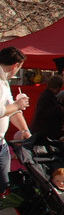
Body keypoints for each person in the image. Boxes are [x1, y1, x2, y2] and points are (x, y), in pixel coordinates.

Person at [1, 46, 32, 195]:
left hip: (1, 143)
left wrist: (25, 131)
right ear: (16, 65)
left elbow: (13, 112)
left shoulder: (4, 82)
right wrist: (16, 105)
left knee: (5, 186)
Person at [30, 74, 64, 140]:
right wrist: (58, 109)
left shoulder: (48, 95)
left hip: (44, 132)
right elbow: (42, 113)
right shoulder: (47, 96)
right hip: (43, 132)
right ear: (57, 87)